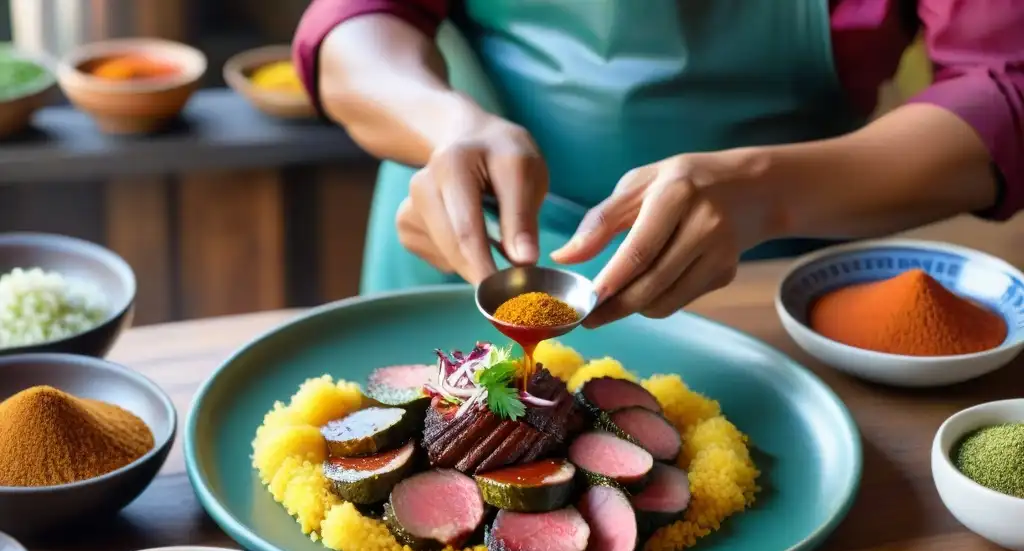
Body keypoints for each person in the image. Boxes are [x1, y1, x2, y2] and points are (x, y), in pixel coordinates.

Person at [293, 0, 1023, 327]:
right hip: (453, 250)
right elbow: (351, 25)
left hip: (765, 284)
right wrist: (443, 124)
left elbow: (1005, 84)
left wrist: (768, 192)